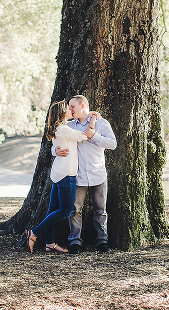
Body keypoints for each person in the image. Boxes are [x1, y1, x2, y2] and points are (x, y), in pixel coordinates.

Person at [25, 100, 98, 253]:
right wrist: (93, 118)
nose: (71, 110)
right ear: (61, 114)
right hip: (66, 175)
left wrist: (55, 151)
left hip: (58, 174)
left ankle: (50, 243)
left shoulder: (58, 129)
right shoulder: (64, 129)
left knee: (53, 210)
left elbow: (55, 148)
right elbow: (86, 136)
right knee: (65, 211)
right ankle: (35, 233)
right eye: (68, 108)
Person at [53, 95, 117, 254]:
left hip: (98, 174)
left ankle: (102, 242)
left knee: (100, 210)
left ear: (82, 106)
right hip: (78, 175)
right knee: (75, 210)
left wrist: (95, 136)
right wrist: (55, 151)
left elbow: (113, 144)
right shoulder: (69, 126)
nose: (70, 109)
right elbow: (56, 141)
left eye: (72, 106)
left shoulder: (101, 123)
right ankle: (75, 242)